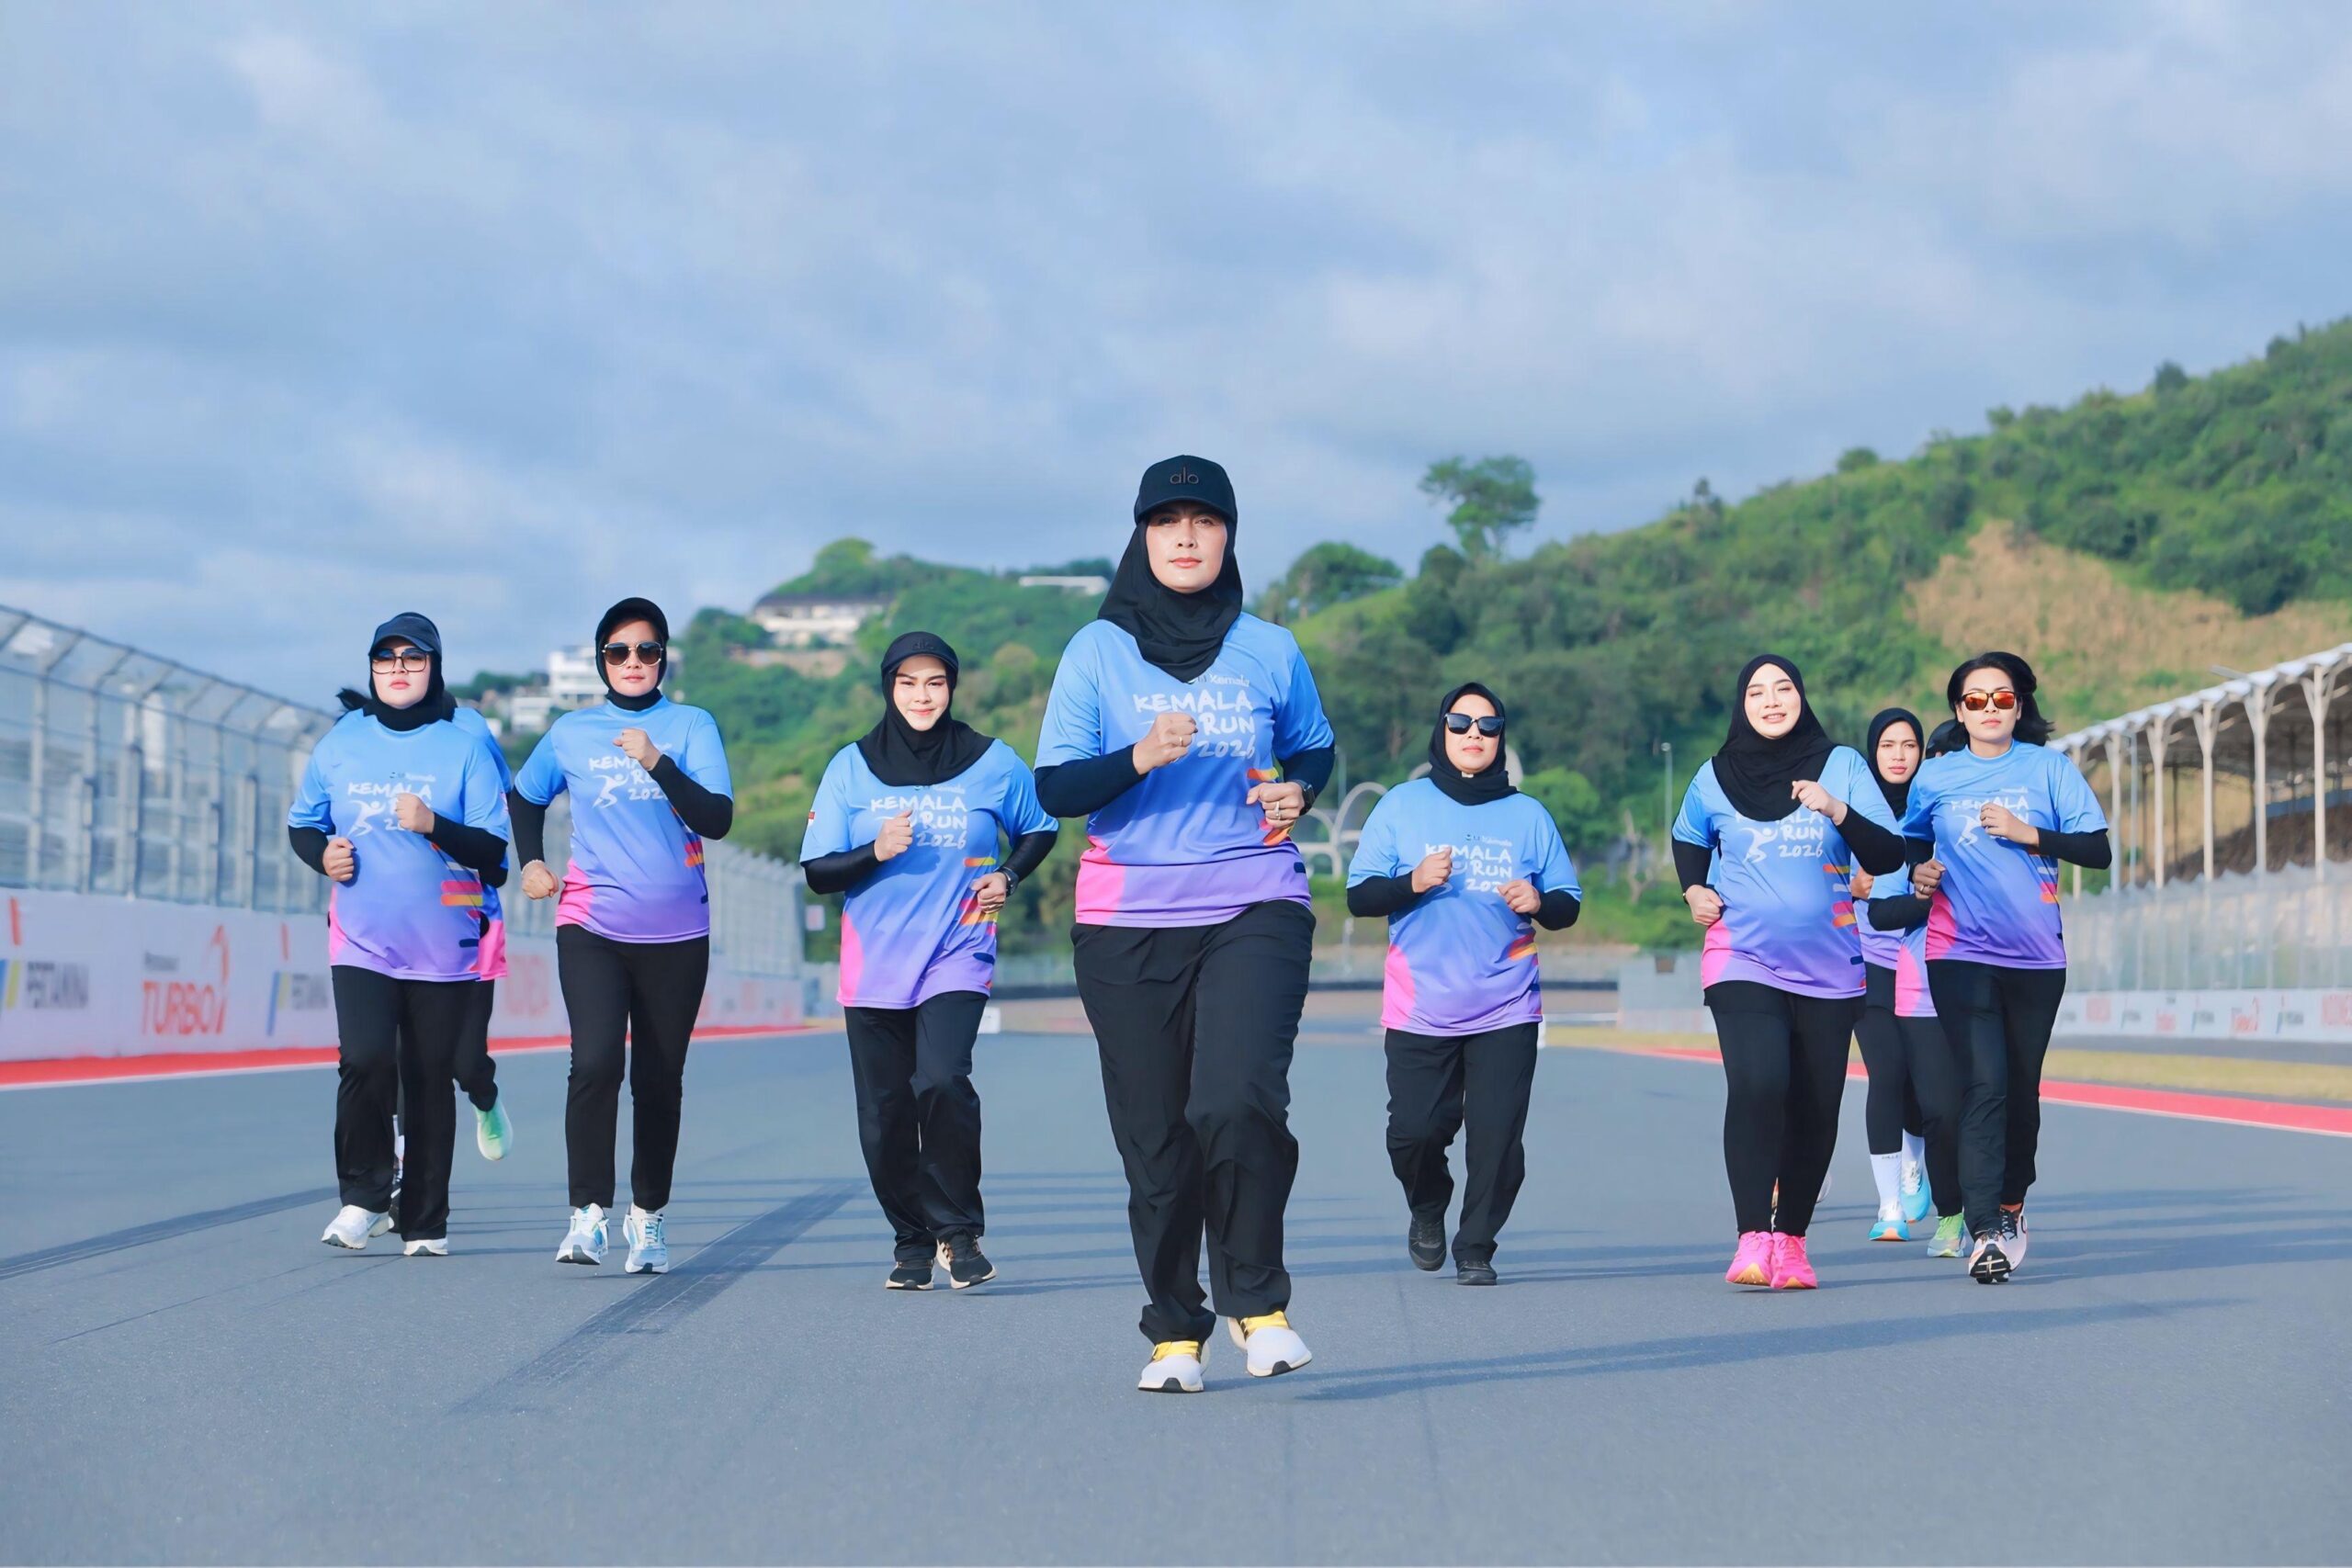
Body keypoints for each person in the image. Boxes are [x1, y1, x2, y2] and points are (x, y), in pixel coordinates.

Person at [1034, 455, 1334, 1393]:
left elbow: (1313, 748)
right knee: (1157, 1139)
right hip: (1127, 918)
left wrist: (1298, 791)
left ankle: (1259, 1304)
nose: (1187, 537)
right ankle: (1174, 1330)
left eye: (1205, 521)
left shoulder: (1269, 648)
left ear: (1228, 535)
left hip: (1254, 900)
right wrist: (1136, 756)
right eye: (1168, 522)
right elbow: (1056, 787)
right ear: (1143, 536)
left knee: (1237, 1100)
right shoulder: (1095, 651)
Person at [801, 632, 1059, 1292]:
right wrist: (875, 850)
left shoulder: (992, 761)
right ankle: (910, 1238)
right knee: (884, 1113)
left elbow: (1041, 826)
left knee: (942, 1079)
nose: (923, 695)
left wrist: (1009, 874)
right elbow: (819, 872)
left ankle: (958, 1230)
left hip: (958, 948)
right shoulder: (851, 767)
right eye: (909, 682)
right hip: (875, 963)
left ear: (952, 687)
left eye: (936, 682)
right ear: (889, 688)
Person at [511, 598, 734, 1274]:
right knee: (596, 1062)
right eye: (618, 651)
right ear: (601, 660)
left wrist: (658, 761)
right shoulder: (572, 731)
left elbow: (717, 818)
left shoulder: (691, 725)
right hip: (593, 924)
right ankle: (587, 1215)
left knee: (659, 1079)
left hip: (677, 932)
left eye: (646, 650)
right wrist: (531, 862)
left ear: (663, 658)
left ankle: (649, 1218)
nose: (633, 661)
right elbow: (525, 796)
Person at [1671, 654, 1905, 1291]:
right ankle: (1752, 1235)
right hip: (1741, 955)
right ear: (1741, 704)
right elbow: (1689, 837)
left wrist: (1837, 809)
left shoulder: (1842, 766)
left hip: (1831, 967)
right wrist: (1694, 889)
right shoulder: (1715, 775)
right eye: (1757, 691)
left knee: (1815, 1105)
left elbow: (1889, 852)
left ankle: (1792, 1241)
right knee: (1759, 1081)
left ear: (1801, 697)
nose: (1771, 701)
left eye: (1783, 689)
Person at [289, 614, 512, 1257]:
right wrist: (321, 855)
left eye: (412, 659)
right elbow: (303, 824)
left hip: (443, 945)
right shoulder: (342, 741)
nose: (398, 670)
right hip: (361, 939)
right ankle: (362, 1198)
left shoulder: (463, 746)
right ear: (372, 668)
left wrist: (434, 823)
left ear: (433, 668)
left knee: (427, 1077)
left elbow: (494, 856)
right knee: (364, 1059)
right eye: (386, 659)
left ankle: (424, 1221)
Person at [1345, 682, 1581, 1286]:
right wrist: (1412, 881)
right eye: (1460, 722)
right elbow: (1360, 895)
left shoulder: (1528, 815)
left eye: (1487, 725)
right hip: (1420, 1007)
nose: (1474, 734)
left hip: (1507, 1003)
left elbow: (1567, 902)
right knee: (1414, 1133)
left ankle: (1476, 1244)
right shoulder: (1401, 805)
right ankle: (1428, 1205)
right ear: (1441, 730)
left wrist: (1539, 901)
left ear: (1501, 736)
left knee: (1498, 1140)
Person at [1905, 651, 2110, 1283]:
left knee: (2020, 1090)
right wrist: (1919, 871)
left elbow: (2097, 850)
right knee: (1984, 1085)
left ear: (2019, 707)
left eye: (2002, 698)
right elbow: (1910, 842)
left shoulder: (2050, 769)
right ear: (1959, 710)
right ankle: (1985, 1228)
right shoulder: (1936, 777)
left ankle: (2013, 1202)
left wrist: (2031, 834)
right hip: (1958, 952)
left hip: (2036, 958)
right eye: (1976, 699)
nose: (1989, 708)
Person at [1847, 707, 1964, 1255]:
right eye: (1887, 745)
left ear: (1923, 753)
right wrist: (1849, 885)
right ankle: (1889, 1206)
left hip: (1925, 963)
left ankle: (1917, 1162)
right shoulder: (1853, 813)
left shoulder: (1934, 810)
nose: (1898, 755)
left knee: (1924, 1088)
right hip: (1868, 962)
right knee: (1886, 1074)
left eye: (1909, 745)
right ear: (1872, 753)